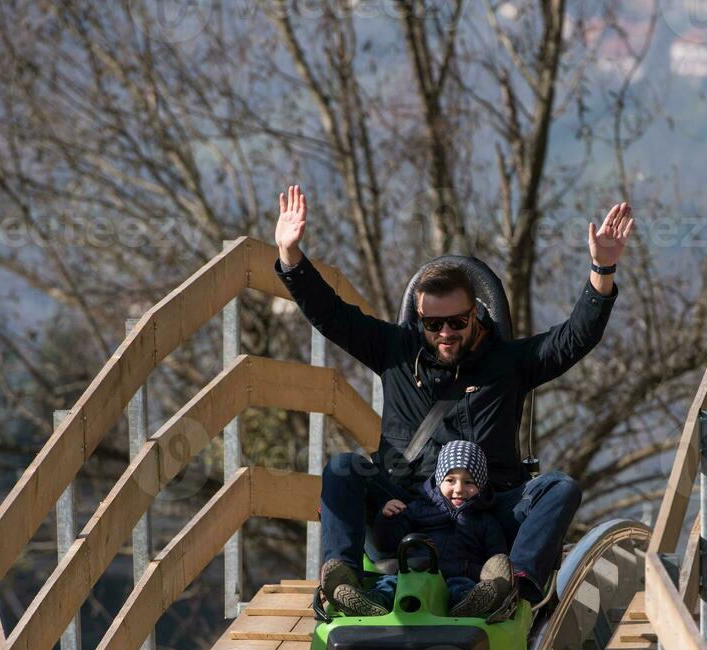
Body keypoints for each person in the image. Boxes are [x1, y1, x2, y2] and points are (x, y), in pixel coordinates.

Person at [270, 183, 635, 609]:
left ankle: (509, 585)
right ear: (419, 320)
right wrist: (290, 256)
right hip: (405, 507)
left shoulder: (509, 362)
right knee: (342, 469)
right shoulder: (394, 350)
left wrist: (602, 271)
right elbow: (330, 314)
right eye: (433, 324)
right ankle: (342, 583)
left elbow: (574, 338)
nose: (445, 333)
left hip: (487, 510)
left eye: (458, 321)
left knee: (560, 487)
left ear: (476, 315)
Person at [331, 440, 517, 621]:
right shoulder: (418, 509)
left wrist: (478, 572)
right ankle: (372, 604)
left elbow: (495, 559)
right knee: (389, 584)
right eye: (450, 480)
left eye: (469, 482)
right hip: (413, 572)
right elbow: (387, 543)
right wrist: (386, 518)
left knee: (461, 588)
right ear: (439, 481)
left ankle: (467, 605)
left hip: (457, 575)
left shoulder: (485, 521)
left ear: (481, 486)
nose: (459, 489)